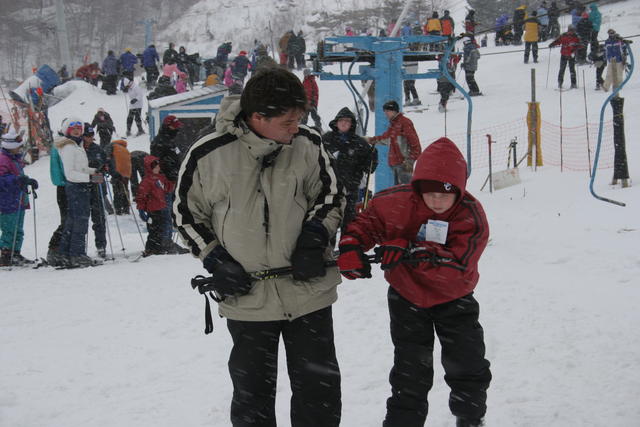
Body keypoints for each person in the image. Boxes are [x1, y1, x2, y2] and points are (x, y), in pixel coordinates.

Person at [173, 67, 344, 426]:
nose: (295, 127)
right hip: (247, 300)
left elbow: (330, 196)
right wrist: (217, 261)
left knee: (319, 392)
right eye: (287, 121)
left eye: (299, 118)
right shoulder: (208, 154)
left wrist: (315, 238)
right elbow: (186, 216)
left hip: (308, 292)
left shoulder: (308, 144)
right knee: (252, 399)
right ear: (257, 117)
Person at [337, 137, 492, 427]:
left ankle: (470, 418)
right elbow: (366, 223)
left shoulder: (471, 215)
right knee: (410, 370)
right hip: (406, 298)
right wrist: (351, 246)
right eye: (428, 194)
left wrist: (410, 249)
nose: (435, 201)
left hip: (454, 299)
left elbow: (458, 264)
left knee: (467, 364)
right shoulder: (394, 201)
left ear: (458, 191)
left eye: (444, 195)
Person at [55, 118, 102, 267]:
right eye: (73, 127)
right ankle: (77, 254)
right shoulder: (69, 147)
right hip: (76, 187)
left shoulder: (76, 145)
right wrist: (90, 178)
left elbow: (80, 168)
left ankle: (66, 254)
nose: (76, 130)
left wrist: (95, 171)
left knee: (73, 220)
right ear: (67, 130)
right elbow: (70, 173)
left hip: (80, 186)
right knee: (79, 221)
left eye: (78, 127)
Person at [322, 107, 377, 229]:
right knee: (328, 223)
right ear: (336, 123)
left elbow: (369, 168)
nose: (344, 123)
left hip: (351, 191)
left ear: (351, 124)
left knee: (349, 225)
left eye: (347, 121)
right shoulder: (326, 140)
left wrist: (373, 157)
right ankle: (329, 246)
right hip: (329, 190)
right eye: (341, 120)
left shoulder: (359, 143)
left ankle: (347, 245)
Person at [150, 115, 188, 254]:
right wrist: (168, 173)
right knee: (165, 213)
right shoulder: (160, 142)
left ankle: (166, 241)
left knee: (171, 212)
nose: (177, 130)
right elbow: (156, 162)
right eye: (174, 127)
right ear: (167, 127)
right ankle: (164, 242)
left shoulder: (170, 141)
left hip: (172, 181)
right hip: (163, 182)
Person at [0, 129, 38, 266]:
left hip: (18, 199)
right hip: (7, 201)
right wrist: (17, 180)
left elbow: (18, 176)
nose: (20, 148)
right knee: (10, 228)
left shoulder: (15, 159)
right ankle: (6, 254)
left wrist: (27, 180)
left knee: (18, 229)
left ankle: (15, 253)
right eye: (18, 146)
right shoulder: (3, 159)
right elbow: (2, 179)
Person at [367, 100, 421, 186]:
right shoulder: (394, 124)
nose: (386, 114)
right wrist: (370, 140)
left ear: (394, 111)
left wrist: (410, 160)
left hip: (404, 163)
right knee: (398, 191)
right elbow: (385, 138)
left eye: (388, 111)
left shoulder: (404, 122)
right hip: (396, 163)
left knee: (405, 190)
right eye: (385, 111)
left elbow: (415, 143)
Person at [135, 155, 174, 256]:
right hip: (152, 210)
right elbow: (141, 196)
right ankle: (150, 249)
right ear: (150, 168)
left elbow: (167, 188)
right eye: (156, 167)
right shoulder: (146, 181)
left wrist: (172, 181)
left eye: (158, 167)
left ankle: (160, 247)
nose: (158, 168)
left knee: (161, 228)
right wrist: (141, 209)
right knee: (153, 230)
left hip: (161, 207)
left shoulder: (161, 178)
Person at [82, 123, 108, 259]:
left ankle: (101, 245)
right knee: (83, 218)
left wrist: (104, 167)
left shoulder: (96, 148)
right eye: (87, 135)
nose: (90, 138)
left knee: (99, 218)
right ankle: (80, 247)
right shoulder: (78, 149)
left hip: (96, 182)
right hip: (83, 184)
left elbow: (105, 162)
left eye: (92, 135)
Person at [106, 138, 131, 215]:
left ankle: (118, 209)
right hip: (126, 173)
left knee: (117, 191)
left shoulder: (112, 146)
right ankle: (126, 208)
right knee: (125, 189)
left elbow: (107, 158)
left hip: (117, 171)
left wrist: (109, 171)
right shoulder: (125, 149)